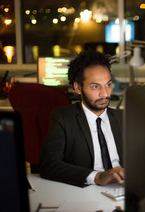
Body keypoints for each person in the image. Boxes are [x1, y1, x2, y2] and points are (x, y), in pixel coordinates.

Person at [39, 50, 125, 187]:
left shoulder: (123, 118)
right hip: (86, 191)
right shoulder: (63, 117)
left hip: (121, 189)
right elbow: (48, 164)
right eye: (95, 86)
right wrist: (97, 177)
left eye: (108, 84)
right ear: (78, 88)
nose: (105, 93)